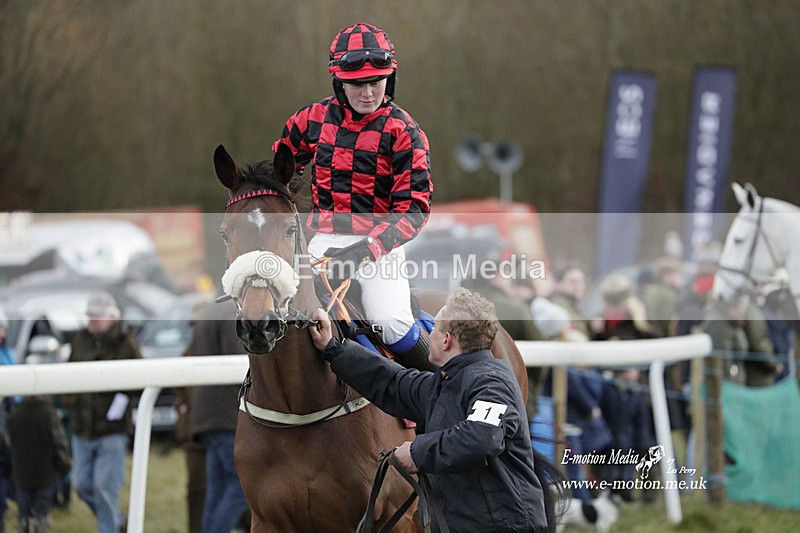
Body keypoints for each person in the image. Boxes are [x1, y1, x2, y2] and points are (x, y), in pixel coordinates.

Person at [309, 287, 551, 532]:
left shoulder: (492, 382)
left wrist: (416, 453)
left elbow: (481, 437)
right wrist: (333, 348)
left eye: (434, 327)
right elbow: (391, 383)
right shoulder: (443, 383)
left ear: (447, 340)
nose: (429, 333)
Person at [273, 21, 434, 370]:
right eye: (357, 85)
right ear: (339, 82)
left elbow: (415, 210)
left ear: (388, 80)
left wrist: (368, 248)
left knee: (391, 323)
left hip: (380, 245)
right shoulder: (310, 120)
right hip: (323, 240)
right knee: (283, 313)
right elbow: (280, 170)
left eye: (375, 83)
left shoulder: (404, 131)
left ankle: (439, 390)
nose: (367, 93)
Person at [62, 291, 141, 533]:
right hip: (82, 428)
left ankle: (110, 528)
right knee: (82, 485)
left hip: (112, 429)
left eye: (97, 316)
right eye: (90, 316)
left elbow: (139, 379)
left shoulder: (126, 342)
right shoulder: (80, 340)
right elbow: (69, 374)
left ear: (112, 316)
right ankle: (118, 522)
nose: (92, 321)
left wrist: (119, 405)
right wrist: (70, 400)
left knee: (104, 487)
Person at [187, 299, 249, 533]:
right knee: (241, 488)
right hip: (226, 415)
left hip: (206, 412)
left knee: (216, 490)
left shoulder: (210, 309)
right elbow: (241, 361)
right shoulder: (233, 312)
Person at [7, 395, 71, 533]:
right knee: (41, 510)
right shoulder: (49, 414)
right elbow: (59, 441)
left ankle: (23, 526)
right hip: (45, 473)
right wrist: (63, 463)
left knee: (23, 510)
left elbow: (9, 441)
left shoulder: (14, 415)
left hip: (21, 472)